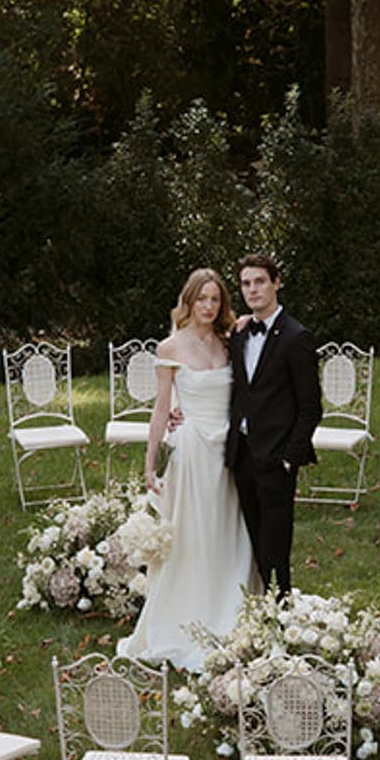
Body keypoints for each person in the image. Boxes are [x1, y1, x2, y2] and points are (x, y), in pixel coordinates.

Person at [117, 269, 257, 671]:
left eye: (215, 300)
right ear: (189, 301)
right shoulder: (170, 347)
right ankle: (190, 617)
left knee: (228, 531)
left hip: (229, 449)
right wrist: (149, 463)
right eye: (202, 300)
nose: (209, 307)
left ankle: (231, 608)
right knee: (194, 536)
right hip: (193, 451)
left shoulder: (231, 342)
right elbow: (162, 408)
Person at [225, 252, 320, 594]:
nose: (253, 290)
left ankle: (281, 612)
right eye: (246, 283)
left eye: (260, 281)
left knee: (275, 543)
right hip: (242, 453)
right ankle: (259, 606)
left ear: (276, 283)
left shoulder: (296, 338)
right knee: (250, 537)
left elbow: (310, 407)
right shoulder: (238, 335)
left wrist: (289, 458)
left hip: (276, 457)